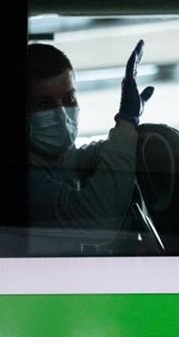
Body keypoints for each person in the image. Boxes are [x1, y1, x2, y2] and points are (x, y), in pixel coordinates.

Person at [26, 40, 154, 247]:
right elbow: (96, 222)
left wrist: (141, 139)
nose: (61, 115)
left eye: (69, 99)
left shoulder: (59, 156)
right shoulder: (21, 181)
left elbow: (90, 156)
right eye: (44, 104)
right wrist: (126, 124)